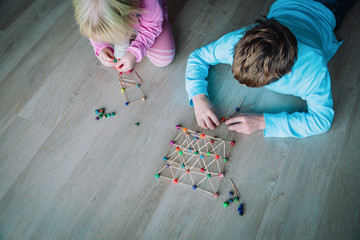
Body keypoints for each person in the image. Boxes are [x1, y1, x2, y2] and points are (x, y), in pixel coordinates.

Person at [185, 0, 355, 138]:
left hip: (327, 6)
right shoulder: (235, 42)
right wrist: (198, 98)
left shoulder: (312, 70)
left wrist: (262, 122)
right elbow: (197, 57)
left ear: (287, 72)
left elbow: (321, 121)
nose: (243, 86)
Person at [73, 0, 175, 73]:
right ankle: (126, 36)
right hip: (126, 18)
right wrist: (101, 47)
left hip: (151, 21)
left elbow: (152, 26)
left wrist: (135, 52)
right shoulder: (93, 11)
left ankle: (133, 36)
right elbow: (95, 29)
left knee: (163, 59)